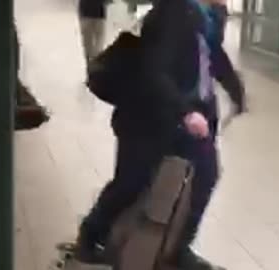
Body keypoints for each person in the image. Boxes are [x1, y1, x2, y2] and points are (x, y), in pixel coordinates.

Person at [75, 0, 246, 269]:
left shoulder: (202, 15)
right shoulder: (172, 12)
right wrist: (185, 112)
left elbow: (213, 54)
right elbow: (155, 70)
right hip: (146, 117)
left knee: (206, 173)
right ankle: (89, 236)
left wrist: (236, 91)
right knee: (130, 182)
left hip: (179, 118)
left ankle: (178, 249)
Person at [78, 0, 110, 69]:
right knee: (99, 40)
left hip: (85, 12)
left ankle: (90, 63)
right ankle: (95, 61)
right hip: (99, 13)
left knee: (87, 41)